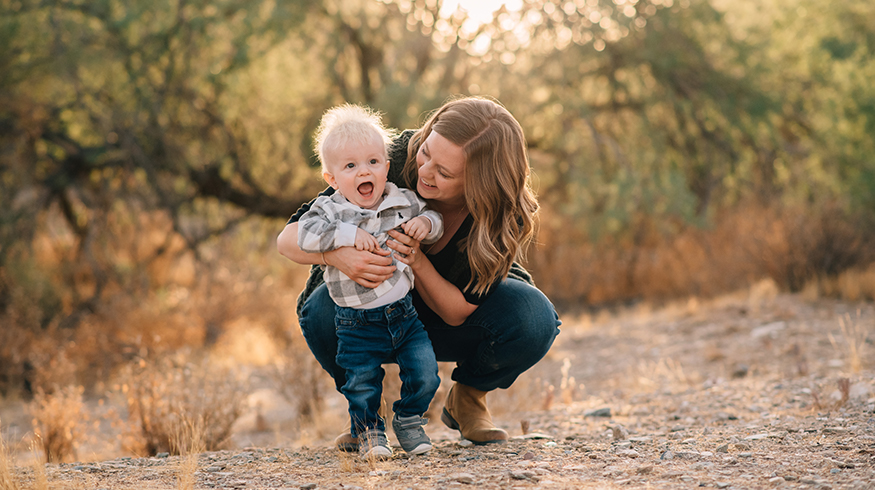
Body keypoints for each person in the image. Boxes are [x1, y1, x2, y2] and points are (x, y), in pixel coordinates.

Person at [278, 96, 561, 452]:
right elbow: (288, 239)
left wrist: (418, 261)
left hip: (445, 313)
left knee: (534, 318)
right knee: (320, 309)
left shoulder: (502, 213)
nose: (425, 172)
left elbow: (456, 312)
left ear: (480, 184)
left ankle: (469, 399)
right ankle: (366, 416)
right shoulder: (384, 157)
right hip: (364, 311)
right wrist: (338, 256)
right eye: (427, 153)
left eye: (444, 173)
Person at [296, 103, 443, 459]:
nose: (365, 171)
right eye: (350, 166)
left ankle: (409, 420)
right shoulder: (330, 211)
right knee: (361, 384)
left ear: (386, 165)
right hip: (354, 321)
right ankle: (370, 434)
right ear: (332, 179)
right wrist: (344, 235)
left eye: (373, 162)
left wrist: (426, 225)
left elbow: (433, 216)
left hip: (403, 314)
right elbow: (304, 234)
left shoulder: (400, 199)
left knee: (425, 370)